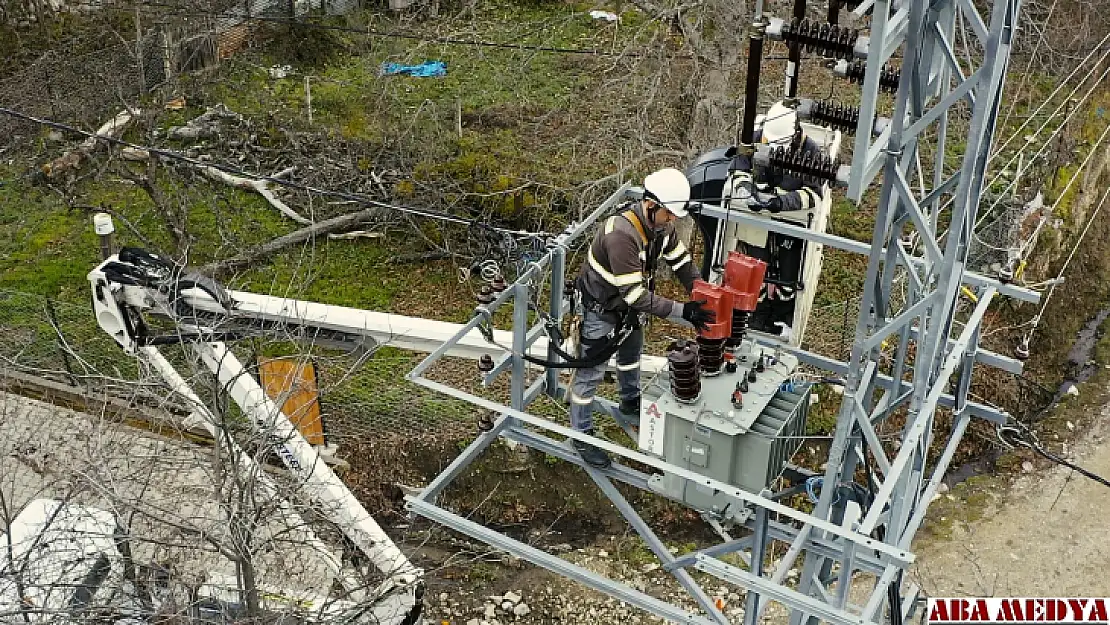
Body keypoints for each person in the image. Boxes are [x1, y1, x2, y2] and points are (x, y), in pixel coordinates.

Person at [569, 167, 715, 469]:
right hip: (602, 310)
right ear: (651, 205)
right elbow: (634, 295)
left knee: (631, 355)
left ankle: (630, 400)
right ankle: (581, 435)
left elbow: (682, 263)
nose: (672, 220)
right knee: (590, 373)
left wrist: (701, 294)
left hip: (627, 309)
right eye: (669, 214)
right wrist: (683, 312)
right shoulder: (621, 236)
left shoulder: (661, 229)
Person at [722, 101, 827, 338]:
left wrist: (781, 203)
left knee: (788, 274)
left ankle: (782, 315)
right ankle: (756, 315)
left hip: (791, 224)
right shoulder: (758, 138)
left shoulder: (810, 153)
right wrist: (747, 192)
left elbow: (813, 194)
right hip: (758, 219)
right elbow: (739, 168)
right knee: (755, 267)